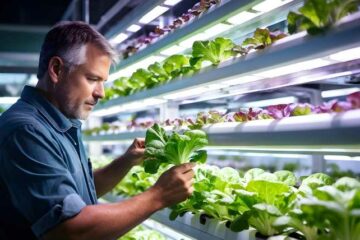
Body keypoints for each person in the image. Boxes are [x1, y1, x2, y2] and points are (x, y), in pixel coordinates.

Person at [0, 21, 195, 240]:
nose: (100, 93)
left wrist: (126, 162)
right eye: (92, 79)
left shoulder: (58, 123)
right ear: (56, 70)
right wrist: (158, 195)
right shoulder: (26, 131)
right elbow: (69, 229)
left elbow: (72, 196)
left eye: (103, 82)